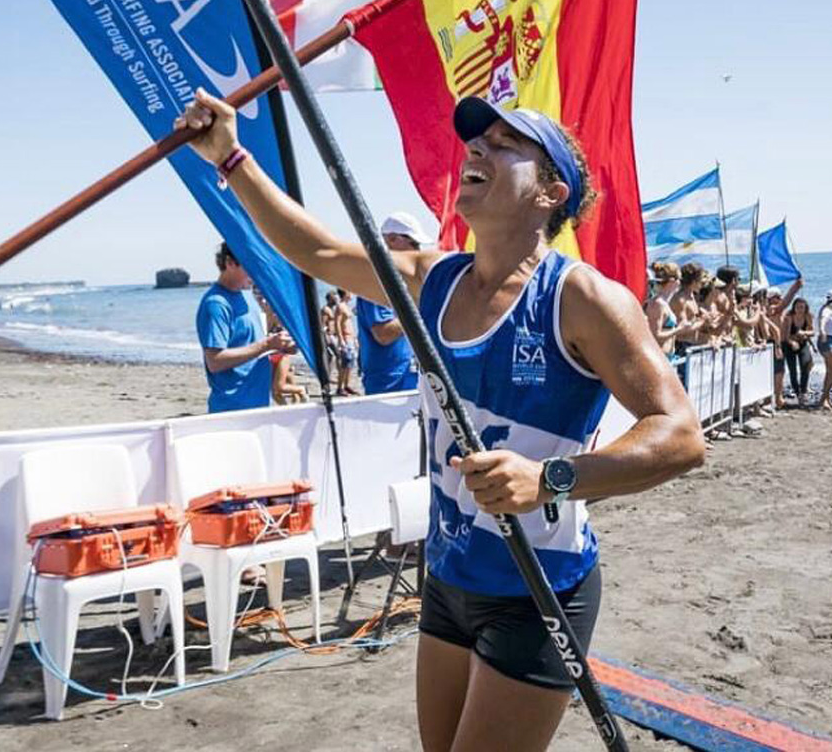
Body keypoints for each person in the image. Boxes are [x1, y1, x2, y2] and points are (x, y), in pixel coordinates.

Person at [175, 87, 704, 752]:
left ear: (550, 192)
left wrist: (550, 477)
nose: (476, 147)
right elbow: (316, 253)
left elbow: (681, 435)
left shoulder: (584, 299)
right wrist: (230, 158)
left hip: (541, 590)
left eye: (505, 143)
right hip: (449, 578)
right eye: (476, 140)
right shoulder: (433, 279)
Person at [196, 242, 294, 413]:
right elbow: (215, 361)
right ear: (230, 263)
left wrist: (281, 346)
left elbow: (253, 346)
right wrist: (267, 344)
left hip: (259, 403)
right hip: (232, 408)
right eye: (250, 266)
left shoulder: (247, 297)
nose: (256, 273)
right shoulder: (217, 303)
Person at [356, 213, 431, 394]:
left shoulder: (398, 279)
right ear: (392, 239)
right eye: (414, 244)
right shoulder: (376, 279)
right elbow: (384, 334)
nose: (418, 250)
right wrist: (421, 309)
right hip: (388, 383)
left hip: (408, 376)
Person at [781, 297, 814, 407]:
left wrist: (804, 332)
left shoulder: (808, 316)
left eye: (802, 307)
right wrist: (792, 343)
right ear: (794, 307)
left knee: (805, 365)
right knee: (793, 370)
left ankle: (803, 391)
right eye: (797, 307)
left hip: (803, 343)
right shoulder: (789, 317)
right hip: (789, 344)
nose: (800, 309)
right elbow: (785, 337)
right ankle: (797, 392)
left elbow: (812, 332)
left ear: (805, 308)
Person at [334, 288, 358, 396]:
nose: (351, 294)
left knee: (351, 364)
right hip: (345, 338)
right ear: (346, 293)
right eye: (350, 292)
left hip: (351, 338)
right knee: (345, 363)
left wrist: (355, 339)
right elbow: (337, 323)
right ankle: (339, 388)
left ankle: (347, 385)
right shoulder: (340, 306)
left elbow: (349, 322)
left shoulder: (347, 307)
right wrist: (341, 339)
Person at [320, 290, 340, 377]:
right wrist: (325, 336)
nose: (336, 300)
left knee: (330, 356)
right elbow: (323, 324)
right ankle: (338, 375)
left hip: (333, 335)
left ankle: (327, 375)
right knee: (338, 354)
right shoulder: (326, 309)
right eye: (334, 299)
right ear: (329, 299)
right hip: (328, 335)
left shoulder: (332, 309)